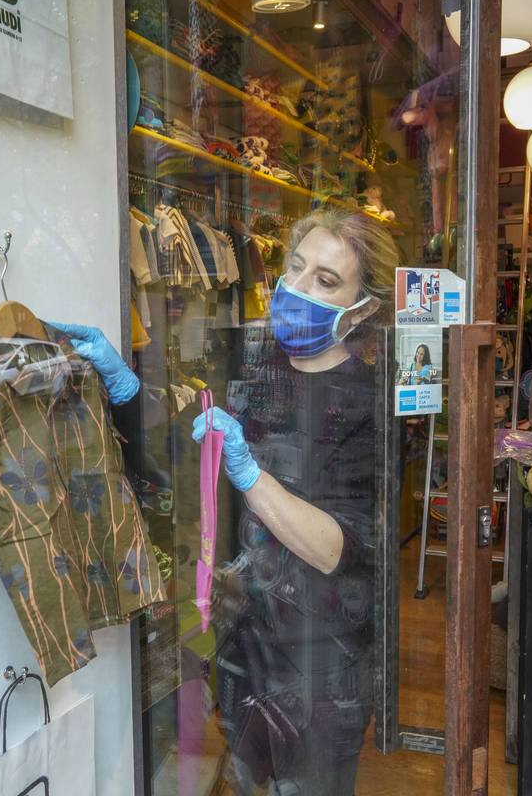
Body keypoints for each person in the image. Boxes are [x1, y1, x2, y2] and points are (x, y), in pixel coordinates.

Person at [193, 208, 395, 795]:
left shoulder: (370, 402)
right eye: (296, 269)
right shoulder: (256, 364)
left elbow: (344, 549)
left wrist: (250, 475)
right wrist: (131, 392)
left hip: (322, 664)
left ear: (363, 309)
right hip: (244, 640)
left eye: (326, 281)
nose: (298, 289)